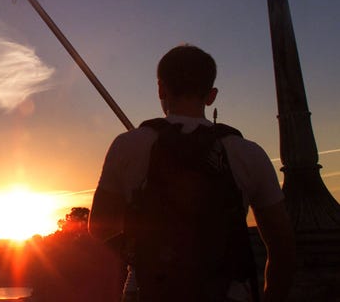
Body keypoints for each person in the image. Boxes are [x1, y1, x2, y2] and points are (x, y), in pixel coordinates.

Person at [88, 45, 295, 301]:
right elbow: (282, 246)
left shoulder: (127, 146)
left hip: (147, 292)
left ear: (161, 88)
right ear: (211, 95)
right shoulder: (249, 153)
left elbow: (98, 227)